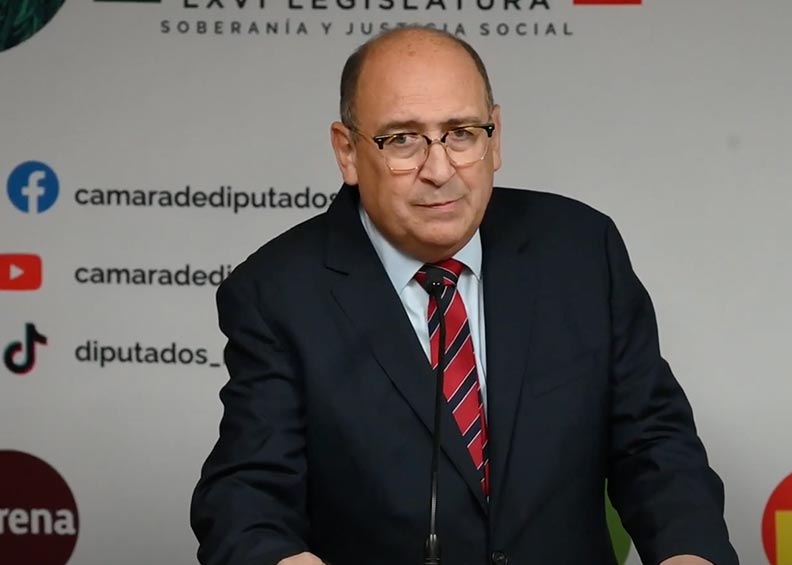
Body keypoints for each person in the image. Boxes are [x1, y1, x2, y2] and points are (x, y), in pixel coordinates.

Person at [190, 26, 738, 565]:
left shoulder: (579, 249)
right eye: (402, 139)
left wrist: (689, 553)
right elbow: (245, 498)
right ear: (348, 151)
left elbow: (654, 443)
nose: (439, 170)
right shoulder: (278, 292)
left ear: (494, 139)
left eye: (462, 133)